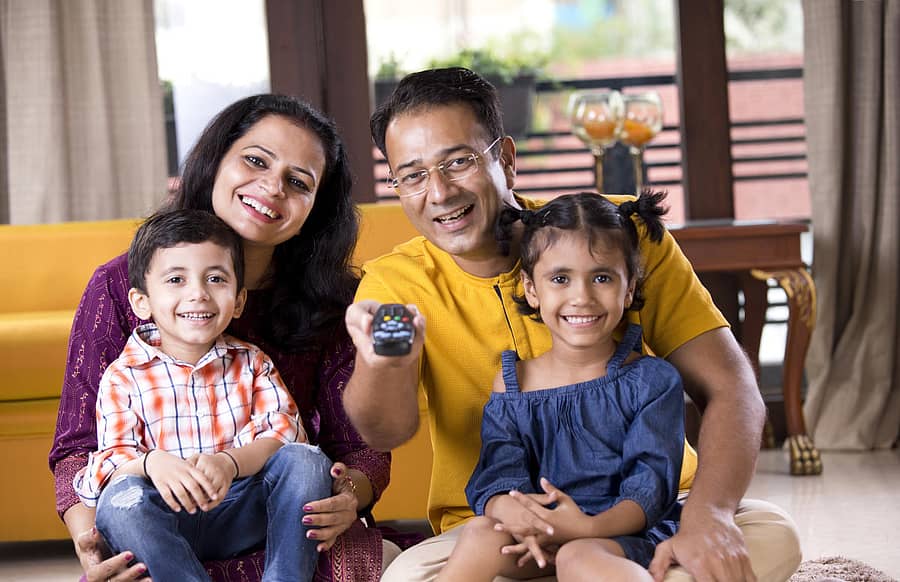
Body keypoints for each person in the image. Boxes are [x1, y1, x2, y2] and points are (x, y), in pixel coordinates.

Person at [342, 67, 801, 582]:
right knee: (407, 575)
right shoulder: (395, 284)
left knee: (773, 533)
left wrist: (710, 516)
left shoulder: (622, 235)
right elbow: (385, 429)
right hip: (501, 529)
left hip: (648, 515)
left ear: (506, 160)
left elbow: (732, 389)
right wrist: (385, 362)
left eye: (459, 162)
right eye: (413, 175)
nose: (440, 192)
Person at [50, 94, 395, 582]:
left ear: (315, 209)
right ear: (215, 163)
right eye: (255, 161)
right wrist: (96, 548)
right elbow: (79, 449)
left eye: (298, 182)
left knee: (359, 549)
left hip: (286, 529)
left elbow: (360, 448)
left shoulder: (337, 303)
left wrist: (349, 496)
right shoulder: (118, 286)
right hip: (162, 537)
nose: (272, 188)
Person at [438, 192, 685, 582]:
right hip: (540, 532)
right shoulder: (512, 385)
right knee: (480, 532)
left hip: (616, 533)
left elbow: (649, 488)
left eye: (602, 277)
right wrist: (511, 511)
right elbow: (499, 473)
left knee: (578, 558)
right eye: (560, 279)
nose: (581, 297)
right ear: (532, 289)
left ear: (629, 287)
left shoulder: (651, 381)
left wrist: (584, 529)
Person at [75, 209, 332, 580]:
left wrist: (229, 462)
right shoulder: (123, 376)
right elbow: (108, 464)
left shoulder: (252, 362)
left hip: (242, 510)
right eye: (176, 279)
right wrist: (151, 464)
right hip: (164, 520)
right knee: (120, 502)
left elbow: (283, 436)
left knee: (306, 461)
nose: (198, 293)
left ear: (239, 300)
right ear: (141, 302)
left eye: (215, 279)